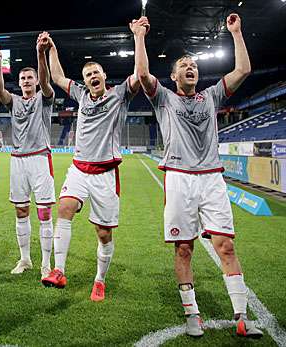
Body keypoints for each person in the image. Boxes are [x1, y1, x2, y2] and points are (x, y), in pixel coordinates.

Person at [132, 14, 263, 337]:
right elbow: (143, 74)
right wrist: (139, 37)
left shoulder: (212, 96)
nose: (191, 68)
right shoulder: (164, 98)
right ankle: (192, 314)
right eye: (184, 66)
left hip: (211, 178)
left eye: (194, 65)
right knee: (184, 248)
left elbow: (244, 70)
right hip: (179, 177)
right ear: (174, 76)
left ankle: (242, 317)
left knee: (226, 246)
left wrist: (236, 32)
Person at [40, 32, 140, 303]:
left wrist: (139, 38)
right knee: (64, 208)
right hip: (79, 169)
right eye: (87, 75)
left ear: (104, 75)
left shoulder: (120, 95)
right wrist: (52, 49)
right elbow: (58, 77)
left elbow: (140, 75)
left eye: (96, 72)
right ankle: (58, 270)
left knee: (104, 233)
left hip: (105, 174)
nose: (92, 77)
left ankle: (100, 280)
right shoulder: (82, 95)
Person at [0, 36, 55, 280]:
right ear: (18, 82)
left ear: (36, 81)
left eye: (30, 78)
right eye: (23, 78)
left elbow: (47, 81)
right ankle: (25, 258)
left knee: (45, 212)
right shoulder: (13, 101)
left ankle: (46, 264)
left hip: (39, 159)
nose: (26, 81)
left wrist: (40, 53)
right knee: (21, 211)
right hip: (17, 160)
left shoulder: (44, 98)